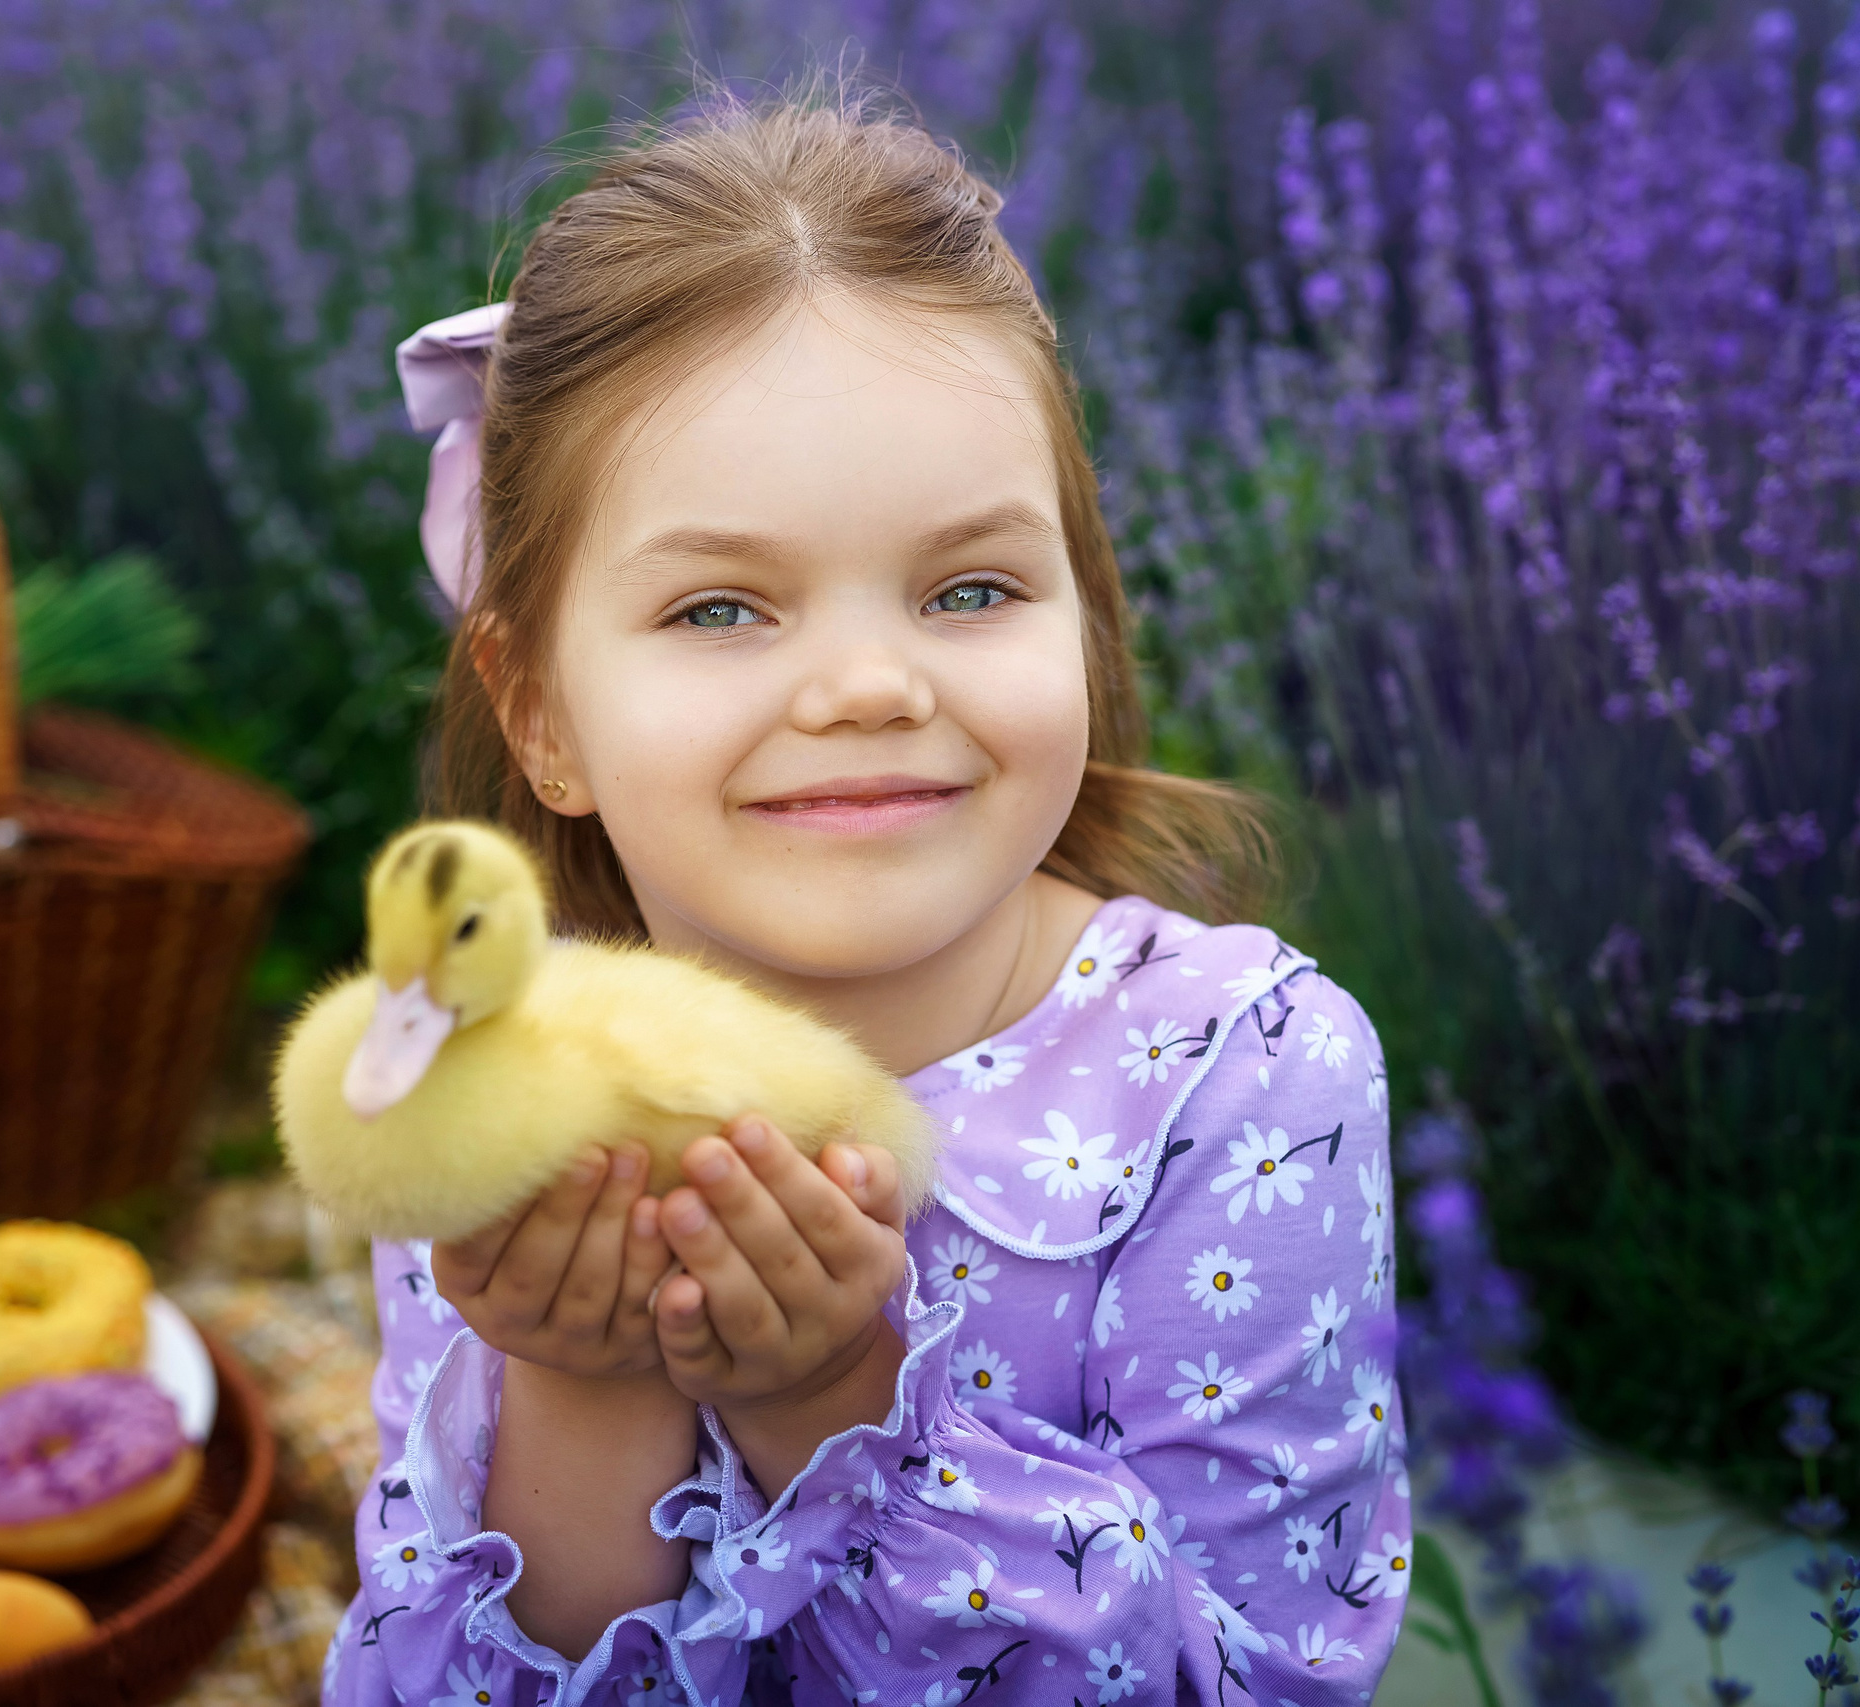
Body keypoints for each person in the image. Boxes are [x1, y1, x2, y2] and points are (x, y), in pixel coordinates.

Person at [325, 94, 1407, 1707]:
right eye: (720, 608)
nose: (866, 684)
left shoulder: (1243, 1081)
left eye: (971, 589)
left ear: (1084, 620)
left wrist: (831, 1398)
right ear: (541, 711)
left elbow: (1250, 1684)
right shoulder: (495, 1102)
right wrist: (582, 1370)